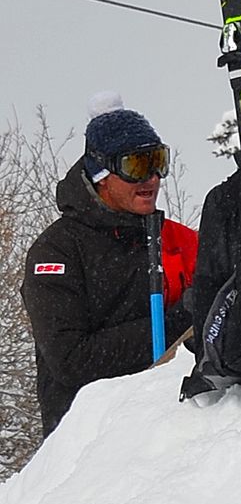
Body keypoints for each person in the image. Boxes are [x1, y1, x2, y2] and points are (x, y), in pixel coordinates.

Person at [21, 95, 197, 436]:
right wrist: (182, 320)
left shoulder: (176, 239)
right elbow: (72, 359)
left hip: (166, 427)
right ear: (101, 174)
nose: (151, 178)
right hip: (90, 441)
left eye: (158, 161)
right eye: (136, 166)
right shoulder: (56, 251)